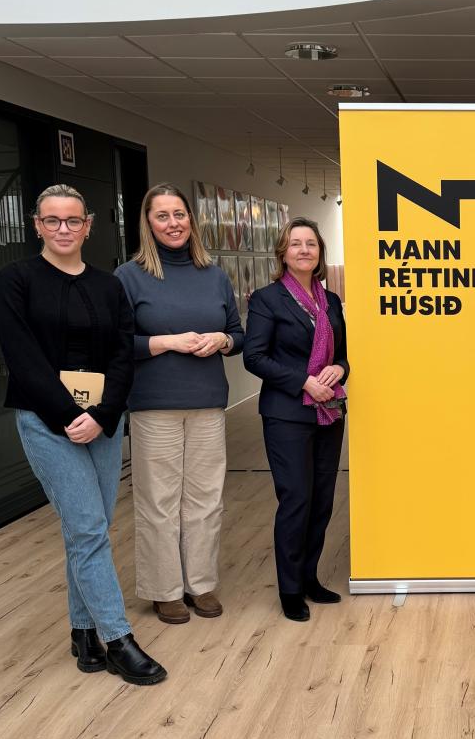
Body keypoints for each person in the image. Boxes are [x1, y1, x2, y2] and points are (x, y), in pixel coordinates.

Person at [0, 184, 166, 685]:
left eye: (72, 221)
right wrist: (71, 415)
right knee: (89, 529)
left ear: (89, 224)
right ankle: (118, 639)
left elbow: (120, 355)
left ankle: (83, 630)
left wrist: (103, 415)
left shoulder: (109, 286)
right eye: (52, 221)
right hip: (46, 422)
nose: (63, 230)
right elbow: (22, 358)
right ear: (36, 225)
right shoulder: (16, 281)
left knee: (88, 529)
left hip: (104, 425)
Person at [115, 184, 244, 625]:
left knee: (206, 499)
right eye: (162, 216)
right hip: (154, 405)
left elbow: (237, 333)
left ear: (192, 219)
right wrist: (164, 342)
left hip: (208, 403)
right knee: (159, 501)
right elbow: (115, 343)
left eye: (179, 214)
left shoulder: (214, 273)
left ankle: (201, 583)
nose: (173, 223)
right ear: (148, 224)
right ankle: (164, 590)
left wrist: (223, 340)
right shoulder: (128, 276)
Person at [243, 217, 348, 621]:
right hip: (287, 414)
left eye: (311, 244)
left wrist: (339, 370)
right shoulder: (268, 299)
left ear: (320, 252)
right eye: (295, 244)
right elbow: (255, 357)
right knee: (296, 499)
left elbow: (343, 356)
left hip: (329, 411)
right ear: (283, 253)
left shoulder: (331, 301)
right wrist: (304, 382)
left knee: (322, 499)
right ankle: (289, 589)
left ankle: (309, 578)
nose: (304, 250)